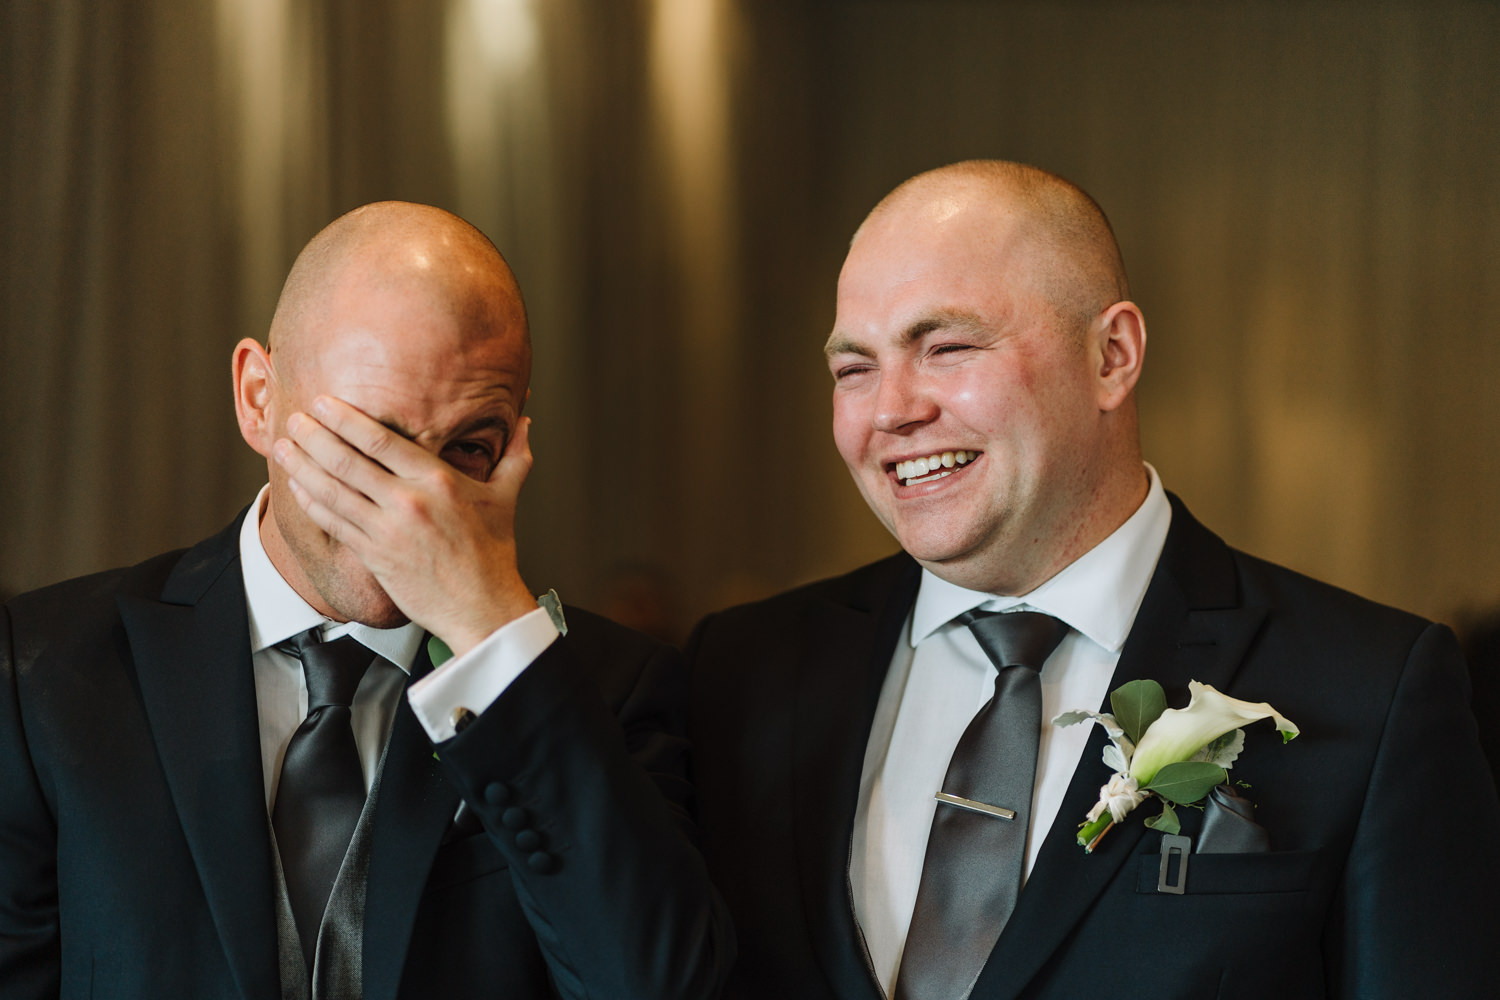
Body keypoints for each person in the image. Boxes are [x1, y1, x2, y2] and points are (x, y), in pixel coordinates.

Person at [686, 161, 1500, 998]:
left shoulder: (1372, 691)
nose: (891, 409)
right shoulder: (742, 674)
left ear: (1112, 355)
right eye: (854, 368)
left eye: (947, 347)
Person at [0, 202, 732, 999]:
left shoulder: (611, 690)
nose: (417, 505)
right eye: (366, 443)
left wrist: (493, 639)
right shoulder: (42, 672)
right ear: (258, 398)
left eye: (469, 450)